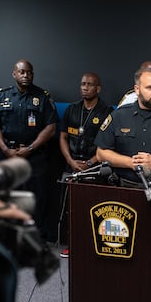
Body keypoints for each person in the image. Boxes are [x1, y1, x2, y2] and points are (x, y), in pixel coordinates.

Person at [0, 59, 58, 243]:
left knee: (37, 199)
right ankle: (7, 238)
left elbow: (51, 127)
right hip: (7, 156)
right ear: (14, 74)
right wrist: (5, 149)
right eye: (22, 72)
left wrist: (31, 148)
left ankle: (35, 239)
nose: (26, 75)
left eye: (29, 72)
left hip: (35, 156)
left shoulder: (42, 96)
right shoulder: (2, 96)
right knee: (6, 196)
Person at [58, 72, 113, 258]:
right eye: (82, 84)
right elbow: (63, 137)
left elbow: (108, 145)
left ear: (98, 89)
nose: (85, 87)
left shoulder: (107, 112)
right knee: (71, 210)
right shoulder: (72, 110)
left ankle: (95, 247)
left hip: (95, 168)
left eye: (89, 84)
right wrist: (70, 161)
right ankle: (72, 245)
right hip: (72, 166)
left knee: (95, 208)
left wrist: (90, 163)